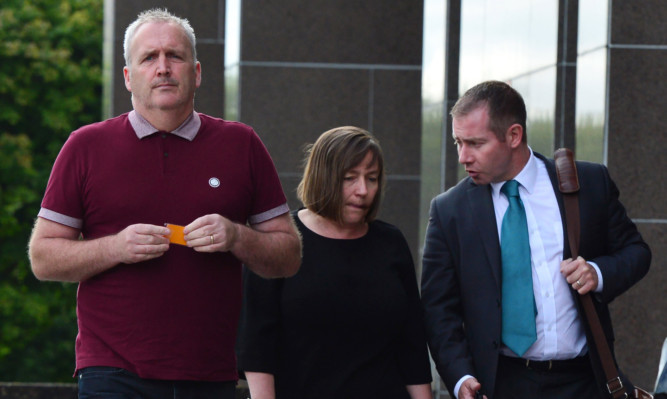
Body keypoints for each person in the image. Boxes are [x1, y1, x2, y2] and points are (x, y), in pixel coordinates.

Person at [27, 8, 301, 399]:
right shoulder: (85, 146)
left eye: (175, 56)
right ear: (128, 77)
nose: (163, 68)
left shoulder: (242, 145)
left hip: (210, 373)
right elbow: (42, 257)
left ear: (197, 71)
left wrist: (238, 236)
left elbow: (288, 255)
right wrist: (116, 247)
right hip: (112, 372)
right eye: (149, 57)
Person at [420, 80, 651, 399]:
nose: (463, 157)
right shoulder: (450, 211)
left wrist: (596, 274)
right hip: (502, 383)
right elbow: (438, 310)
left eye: (475, 143)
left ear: (514, 135)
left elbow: (636, 252)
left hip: (586, 381)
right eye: (458, 143)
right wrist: (460, 378)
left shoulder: (588, 183)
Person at [236, 126, 433, 399]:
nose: (363, 190)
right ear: (323, 177)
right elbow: (256, 345)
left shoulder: (391, 243)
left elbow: (411, 342)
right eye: (350, 178)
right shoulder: (278, 240)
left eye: (372, 178)